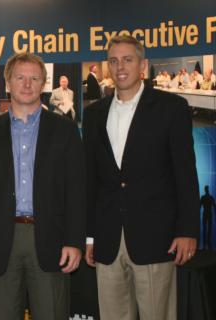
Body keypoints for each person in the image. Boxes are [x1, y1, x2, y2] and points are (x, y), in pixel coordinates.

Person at [83, 35, 199, 320]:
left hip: (156, 238)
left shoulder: (171, 108)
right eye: (113, 61)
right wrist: (89, 235)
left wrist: (187, 230)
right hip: (108, 240)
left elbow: (185, 173)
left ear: (143, 65)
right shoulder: (94, 114)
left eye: (127, 59)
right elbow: (90, 180)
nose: (119, 66)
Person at [0, 52, 86, 320]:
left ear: (44, 83)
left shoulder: (65, 130)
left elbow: (76, 190)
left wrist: (74, 240)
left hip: (51, 239)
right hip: (0, 240)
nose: (27, 83)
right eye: (20, 77)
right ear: (8, 82)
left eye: (34, 78)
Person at [201, 185, 216, 250]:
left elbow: (199, 205)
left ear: (205, 190)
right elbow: (214, 206)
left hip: (205, 213)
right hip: (209, 213)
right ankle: (208, 241)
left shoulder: (203, 197)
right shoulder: (211, 197)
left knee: (205, 228)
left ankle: (205, 242)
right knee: (208, 228)